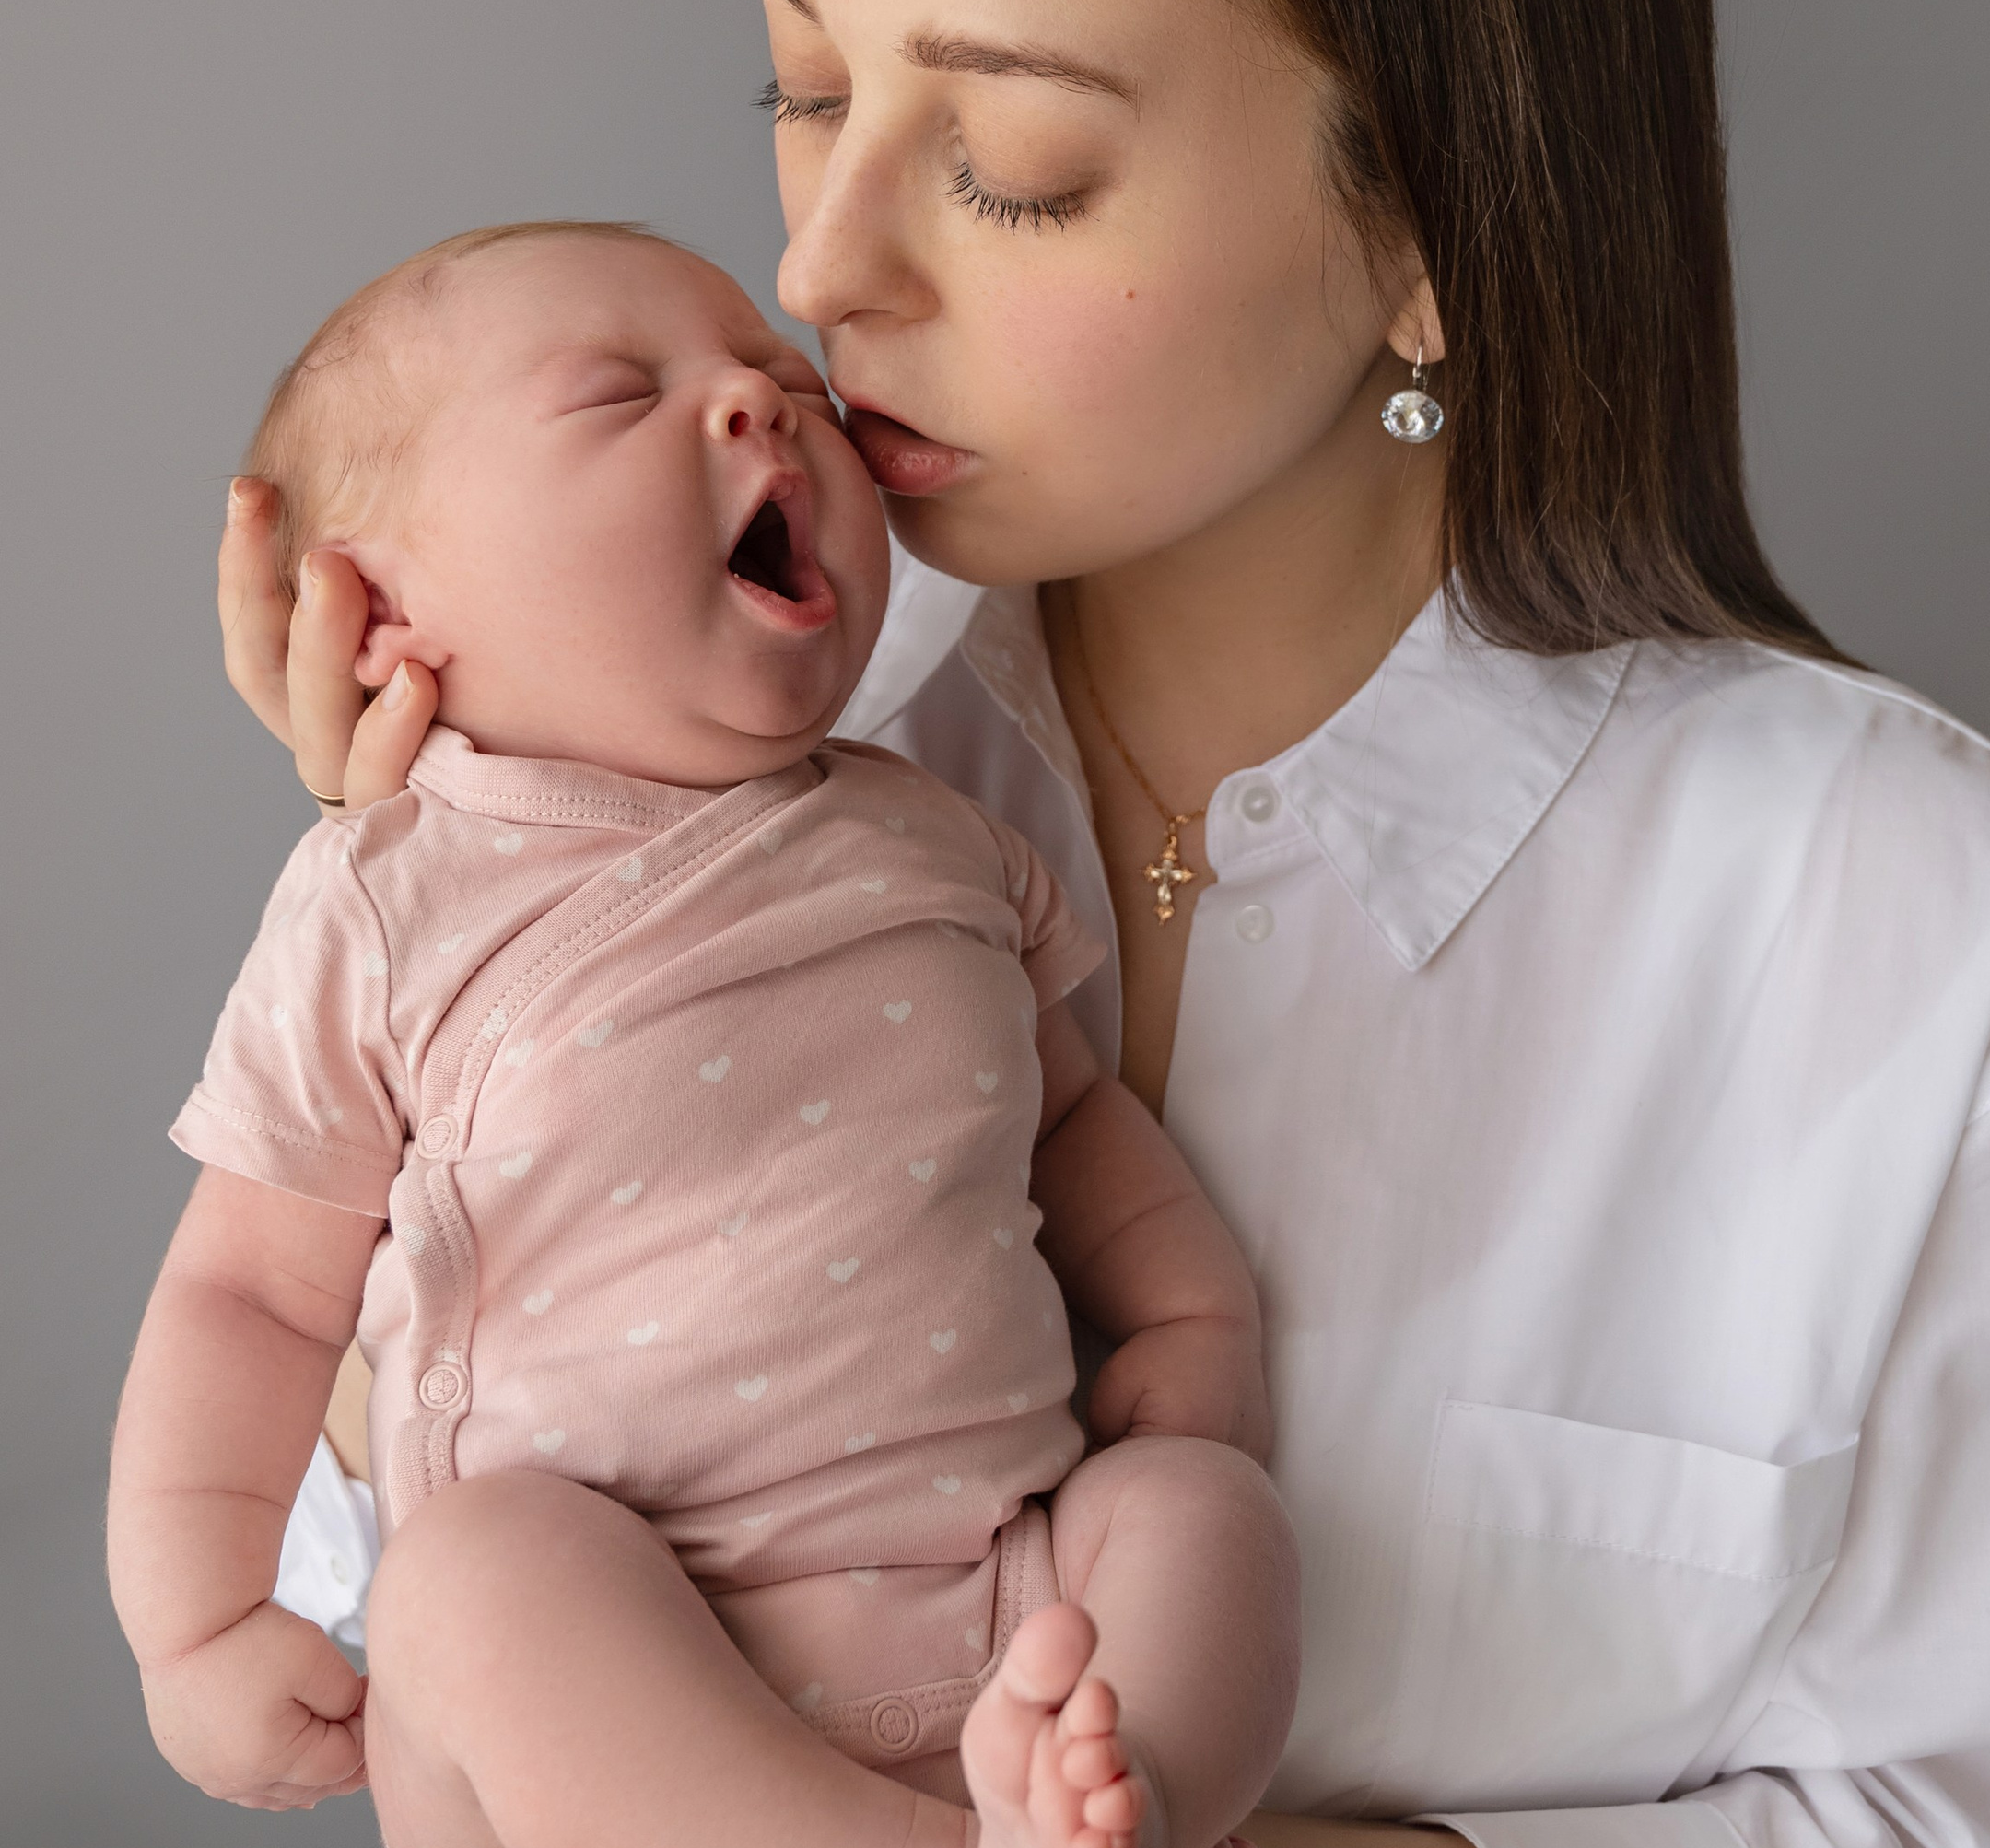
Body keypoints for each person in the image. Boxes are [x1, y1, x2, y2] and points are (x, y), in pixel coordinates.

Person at [213, 0, 1990, 1842]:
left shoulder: (1897, 919)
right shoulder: (669, 758)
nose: (819, 264)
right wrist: (455, 937)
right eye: (805, 83)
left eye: (1018, 162)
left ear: (1436, 226)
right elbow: (363, 1647)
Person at [113, 223, 1299, 1847]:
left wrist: (1186, 1316)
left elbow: (1073, 1119)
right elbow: (247, 1290)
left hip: (1001, 1617)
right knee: (468, 1578)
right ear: (381, 612)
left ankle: (1123, 1798)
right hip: (618, 1693)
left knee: (1196, 1511)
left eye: (787, 379)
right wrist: (191, 1622)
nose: (758, 397)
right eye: (615, 398)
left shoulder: (935, 838)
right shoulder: (383, 906)